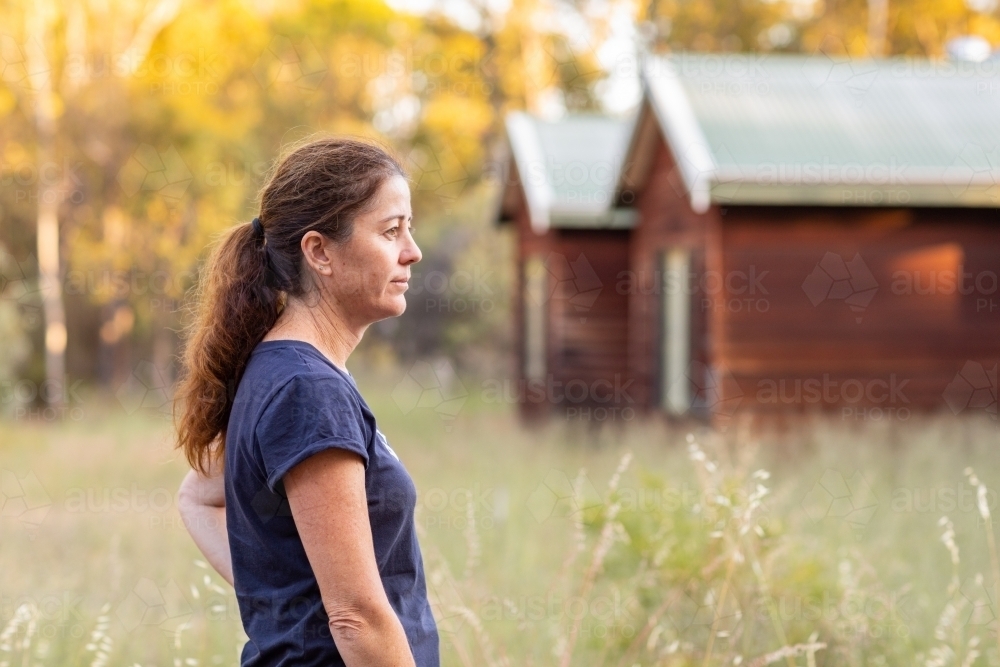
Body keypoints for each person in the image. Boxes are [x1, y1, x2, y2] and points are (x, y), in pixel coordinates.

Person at [172, 136, 439, 667]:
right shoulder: (306, 391)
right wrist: (310, 611)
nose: (412, 251)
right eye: (391, 231)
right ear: (319, 252)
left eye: (408, 229)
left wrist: (285, 601)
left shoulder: (282, 371)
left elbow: (197, 497)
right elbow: (356, 617)